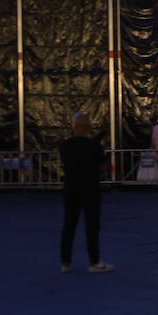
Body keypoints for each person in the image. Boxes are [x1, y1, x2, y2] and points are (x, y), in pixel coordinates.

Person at [59, 113, 112, 273]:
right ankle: (94, 261)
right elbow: (103, 167)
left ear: (73, 127)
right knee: (92, 226)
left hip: (71, 188)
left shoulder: (65, 145)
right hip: (91, 189)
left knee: (69, 225)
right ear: (88, 127)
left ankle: (65, 262)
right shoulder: (95, 145)